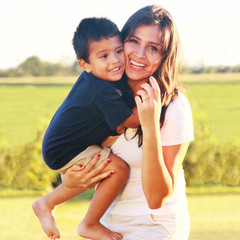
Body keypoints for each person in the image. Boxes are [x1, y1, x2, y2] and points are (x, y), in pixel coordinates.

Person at [61, 5, 194, 240]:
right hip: (107, 227)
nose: (140, 54)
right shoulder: (104, 99)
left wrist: (150, 125)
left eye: (153, 48)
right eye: (133, 41)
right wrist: (70, 179)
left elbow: (156, 199)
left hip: (155, 228)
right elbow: (82, 157)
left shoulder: (173, 106)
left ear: (165, 56)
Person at [32, 17, 140, 240]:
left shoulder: (98, 79)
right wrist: (153, 104)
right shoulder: (102, 90)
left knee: (96, 167)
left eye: (119, 51)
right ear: (85, 65)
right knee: (117, 170)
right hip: (65, 149)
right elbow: (131, 120)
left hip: (62, 144)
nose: (115, 60)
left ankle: (46, 203)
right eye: (104, 56)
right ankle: (89, 224)